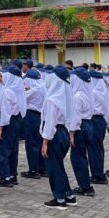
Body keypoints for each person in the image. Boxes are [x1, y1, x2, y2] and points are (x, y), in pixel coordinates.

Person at [40, 66, 78, 209]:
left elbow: (50, 123)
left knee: (54, 168)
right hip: (64, 132)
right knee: (59, 166)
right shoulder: (66, 97)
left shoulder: (52, 99)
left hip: (54, 135)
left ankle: (60, 199)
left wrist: (45, 142)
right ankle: (69, 195)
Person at [0, 65, 26, 187]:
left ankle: (5, 178)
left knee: (3, 150)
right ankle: (13, 175)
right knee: (14, 150)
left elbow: (5, 113)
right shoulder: (19, 89)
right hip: (17, 121)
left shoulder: (7, 92)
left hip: (8, 123)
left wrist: (0, 129)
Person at [69, 67, 96, 197]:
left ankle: (85, 187)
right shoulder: (88, 93)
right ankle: (85, 185)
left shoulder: (77, 96)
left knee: (78, 158)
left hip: (80, 127)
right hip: (88, 125)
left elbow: (76, 116)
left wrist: (72, 133)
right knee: (82, 156)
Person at [21, 68, 46, 179]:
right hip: (41, 116)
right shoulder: (43, 87)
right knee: (40, 142)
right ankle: (42, 168)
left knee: (32, 144)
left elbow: (21, 98)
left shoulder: (34, 90)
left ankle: (33, 170)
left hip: (32, 116)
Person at [88, 70, 109, 185]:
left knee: (94, 149)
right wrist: (107, 123)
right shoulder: (103, 91)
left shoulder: (93, 92)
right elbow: (108, 108)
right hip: (101, 120)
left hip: (94, 120)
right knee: (98, 148)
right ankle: (98, 173)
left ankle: (98, 175)